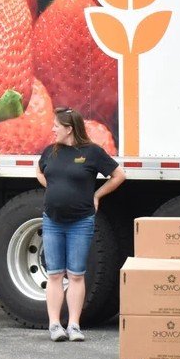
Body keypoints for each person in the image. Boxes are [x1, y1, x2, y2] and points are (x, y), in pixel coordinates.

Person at [36, 107, 125, 342]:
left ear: (69, 129)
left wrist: (97, 195)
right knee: (55, 274)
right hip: (52, 221)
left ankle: (74, 325)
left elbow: (119, 175)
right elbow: (39, 171)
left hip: (81, 222)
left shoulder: (92, 152)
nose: (53, 129)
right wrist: (54, 188)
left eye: (56, 125)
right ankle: (55, 325)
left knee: (76, 275)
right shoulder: (50, 151)